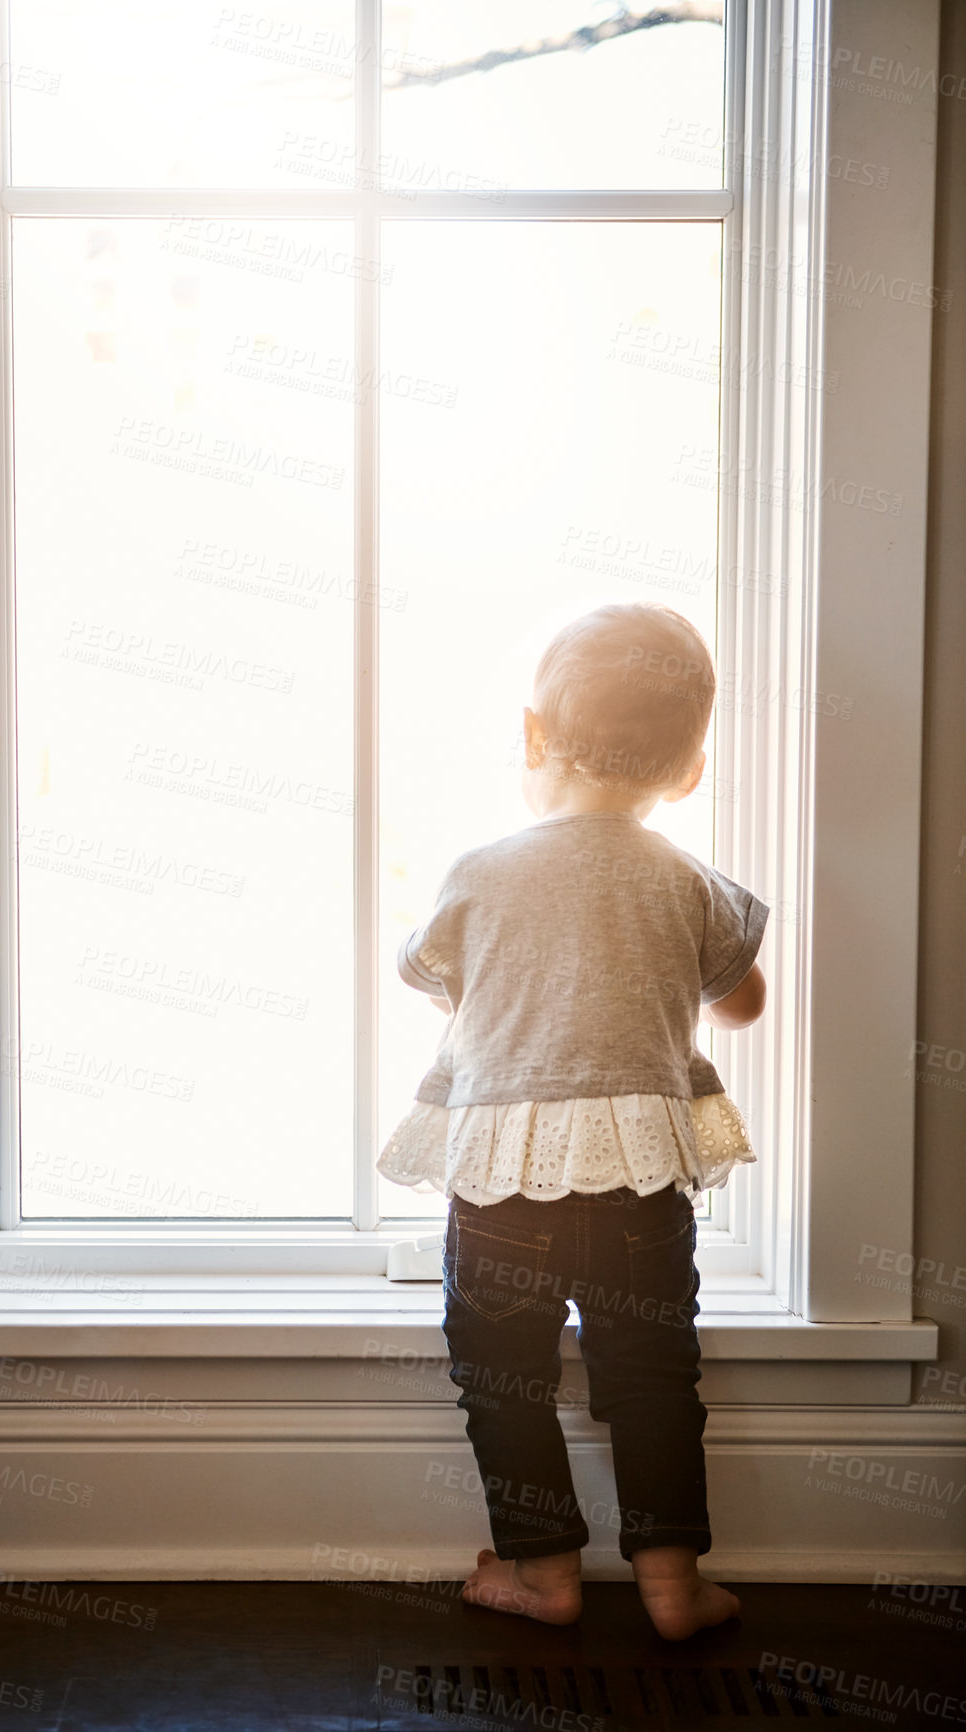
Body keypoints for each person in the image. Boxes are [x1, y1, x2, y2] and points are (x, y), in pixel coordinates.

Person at [378, 602, 768, 1641]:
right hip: (637, 1173)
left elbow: (425, 974)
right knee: (649, 1375)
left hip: (503, 1172)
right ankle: (672, 1584)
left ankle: (540, 1570)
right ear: (687, 769)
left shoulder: (479, 870)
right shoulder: (686, 879)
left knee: (501, 1379)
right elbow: (744, 999)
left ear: (529, 736)